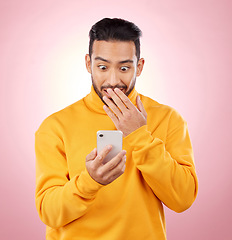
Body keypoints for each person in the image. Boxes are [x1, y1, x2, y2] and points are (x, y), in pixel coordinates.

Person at [35, 18, 198, 240]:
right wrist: (89, 182)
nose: (113, 80)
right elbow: (50, 213)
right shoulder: (55, 127)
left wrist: (139, 136)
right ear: (88, 64)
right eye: (102, 67)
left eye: (124, 67)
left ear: (139, 67)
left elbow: (183, 199)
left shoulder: (167, 119)